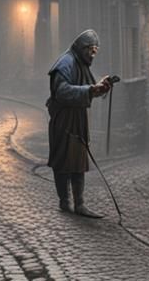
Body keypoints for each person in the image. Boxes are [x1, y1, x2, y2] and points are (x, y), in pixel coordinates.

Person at [46, 30, 113, 217]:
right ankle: (65, 202)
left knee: (78, 159)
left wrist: (100, 87)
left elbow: (87, 90)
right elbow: (62, 91)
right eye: (91, 51)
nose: (92, 55)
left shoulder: (81, 64)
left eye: (95, 51)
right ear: (83, 48)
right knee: (63, 160)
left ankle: (79, 203)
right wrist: (91, 89)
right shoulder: (66, 63)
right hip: (64, 120)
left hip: (78, 118)